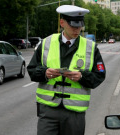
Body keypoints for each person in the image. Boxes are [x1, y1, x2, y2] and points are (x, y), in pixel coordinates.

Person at [27, 5, 106, 135]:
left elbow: (100, 75)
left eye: (79, 26)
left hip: (75, 112)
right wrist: (45, 73)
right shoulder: (46, 43)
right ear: (62, 23)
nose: (77, 30)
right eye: (73, 26)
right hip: (48, 110)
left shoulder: (90, 47)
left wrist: (82, 77)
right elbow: (32, 70)